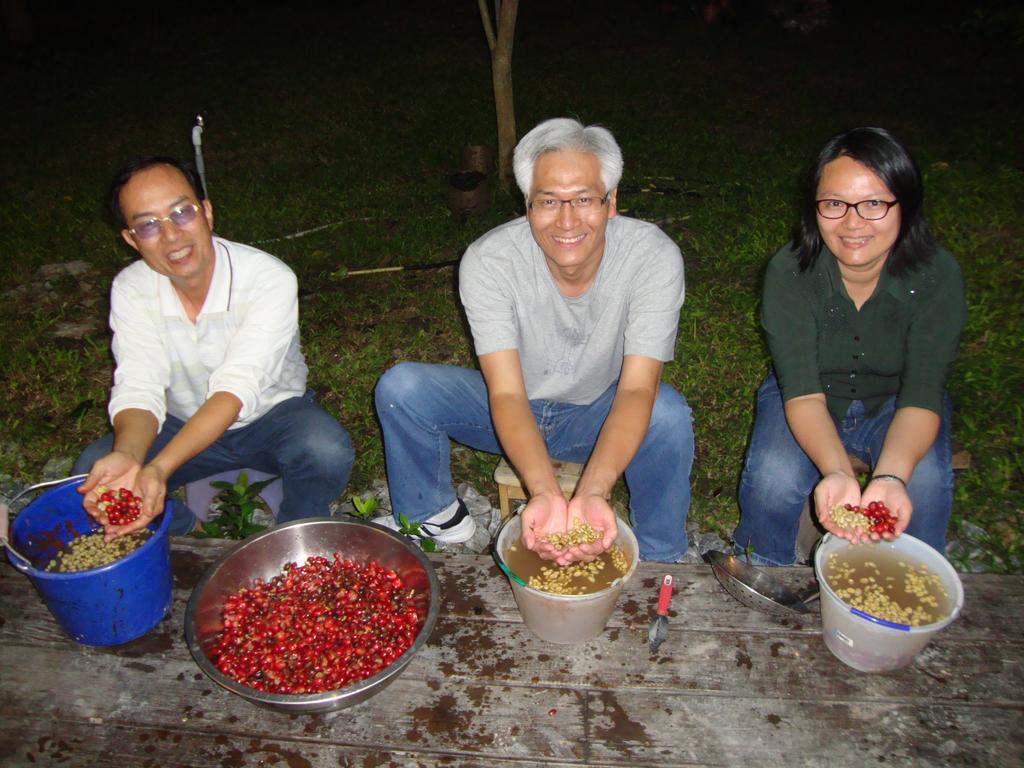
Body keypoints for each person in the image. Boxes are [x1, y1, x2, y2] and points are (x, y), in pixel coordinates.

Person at [375, 117, 694, 563]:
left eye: (584, 199)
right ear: (527, 204)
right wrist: (543, 492)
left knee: (667, 414)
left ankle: (662, 556)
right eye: (548, 201)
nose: (567, 220)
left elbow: (638, 387)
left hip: (595, 415)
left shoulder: (652, 257)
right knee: (402, 388)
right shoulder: (489, 260)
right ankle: (433, 515)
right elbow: (504, 391)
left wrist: (593, 492)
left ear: (611, 202)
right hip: (508, 408)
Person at [74, 156, 354, 537]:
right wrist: (131, 457)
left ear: (206, 212)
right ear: (131, 239)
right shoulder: (131, 288)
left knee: (325, 448)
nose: (171, 235)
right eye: (148, 225)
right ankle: (195, 532)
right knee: (94, 469)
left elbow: (237, 387)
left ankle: (293, 529)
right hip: (179, 422)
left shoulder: (267, 277)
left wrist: (158, 468)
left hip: (270, 419)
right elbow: (139, 386)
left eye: (181, 212)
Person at [733, 127, 966, 565]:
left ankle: (899, 586)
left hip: (897, 400)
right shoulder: (790, 272)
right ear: (815, 207)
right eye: (835, 204)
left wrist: (893, 476)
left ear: (906, 205)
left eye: (874, 203)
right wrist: (838, 472)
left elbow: (922, 392)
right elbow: (800, 390)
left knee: (927, 485)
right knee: (772, 480)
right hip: (808, 393)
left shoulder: (937, 276)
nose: (852, 223)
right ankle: (763, 574)